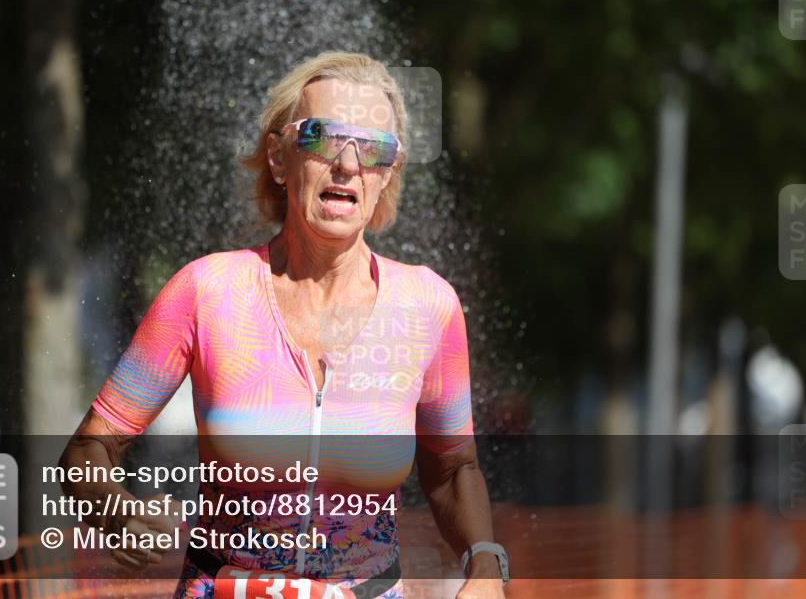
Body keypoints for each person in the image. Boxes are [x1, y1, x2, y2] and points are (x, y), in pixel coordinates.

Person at [60, 51, 507, 599]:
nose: (347, 164)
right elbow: (86, 451)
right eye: (321, 137)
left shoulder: (427, 306)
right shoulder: (207, 291)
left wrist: (485, 565)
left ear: (388, 173)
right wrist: (115, 513)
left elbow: (454, 468)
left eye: (374, 149)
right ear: (278, 157)